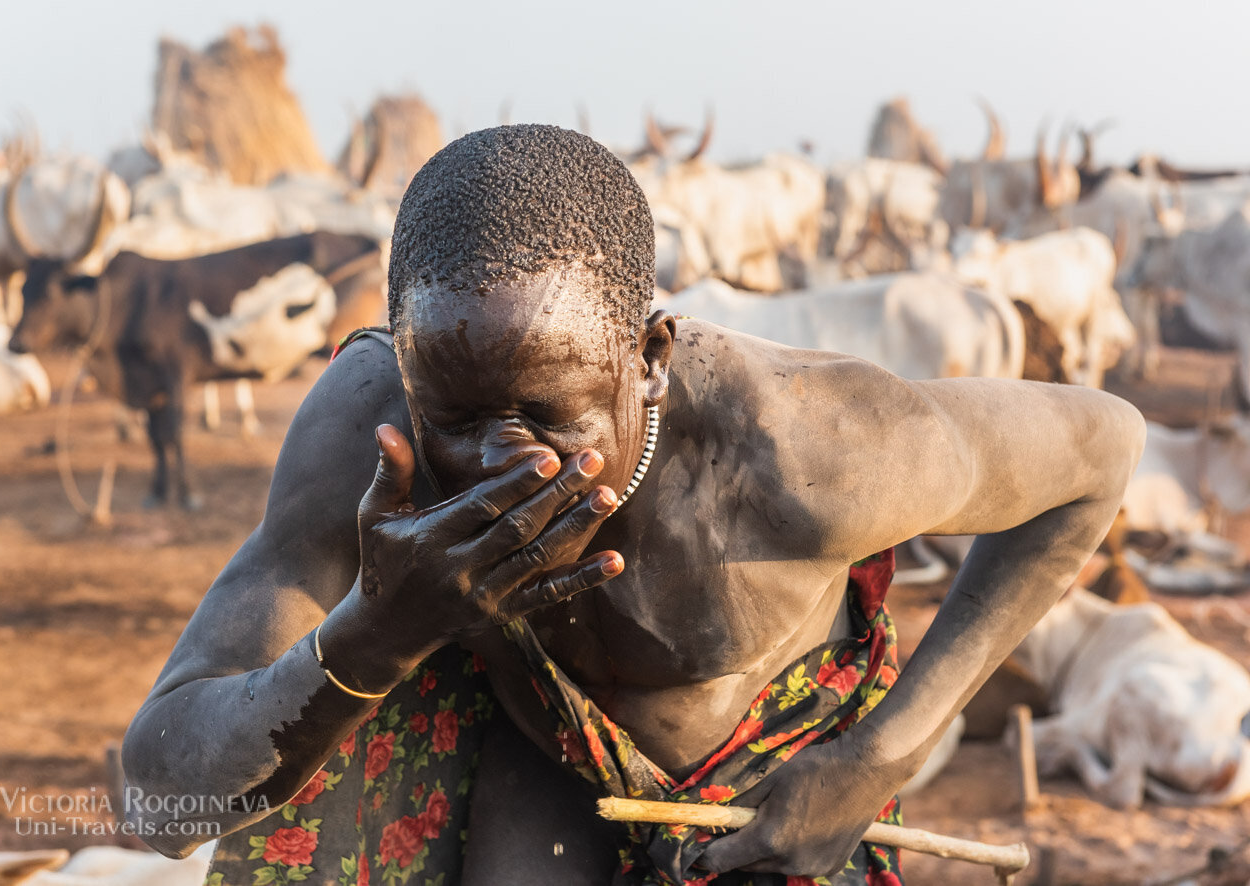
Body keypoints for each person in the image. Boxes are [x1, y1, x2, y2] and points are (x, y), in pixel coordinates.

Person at [122, 124, 1145, 884]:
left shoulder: (803, 451)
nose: (498, 463)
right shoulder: (368, 430)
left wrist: (882, 753)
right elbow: (161, 797)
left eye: (548, 413)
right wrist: (371, 637)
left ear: (648, 360)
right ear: (403, 363)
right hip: (542, 745)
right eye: (456, 417)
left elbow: (1103, 448)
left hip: (772, 776)